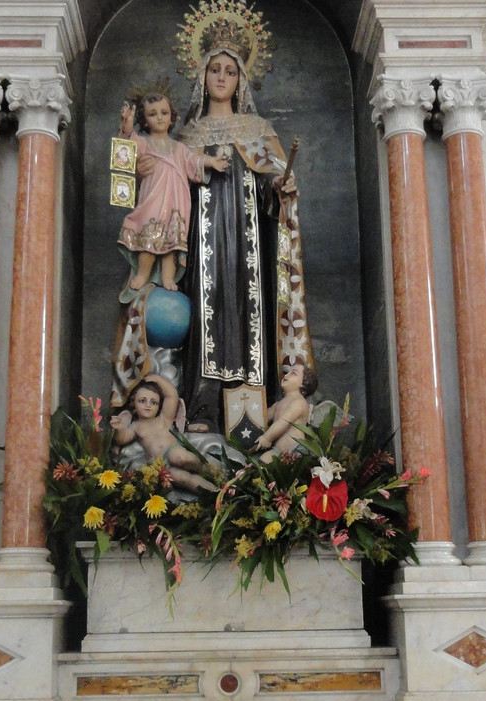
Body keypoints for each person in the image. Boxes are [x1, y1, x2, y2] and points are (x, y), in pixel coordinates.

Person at [167, 7, 315, 434]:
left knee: (250, 309)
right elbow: (168, 185)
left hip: (249, 242)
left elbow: (273, 182)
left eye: (230, 71)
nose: (221, 77)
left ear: (240, 80)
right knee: (206, 309)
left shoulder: (257, 128)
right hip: (203, 240)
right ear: (202, 76)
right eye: (214, 69)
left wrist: (281, 188)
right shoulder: (187, 135)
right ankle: (203, 407)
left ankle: (252, 409)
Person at [117, 92, 228, 292]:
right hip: (153, 199)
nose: (160, 118)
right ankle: (143, 274)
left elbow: (193, 161)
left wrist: (211, 161)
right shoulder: (144, 143)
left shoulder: (179, 148)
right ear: (145, 120)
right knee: (149, 236)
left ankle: (168, 278)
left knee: (171, 242)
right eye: (153, 114)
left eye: (164, 113)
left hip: (176, 201)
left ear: (171, 117)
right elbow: (127, 146)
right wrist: (127, 125)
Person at [110, 374, 217, 492]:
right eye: (142, 401)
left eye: (154, 402)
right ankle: (213, 492)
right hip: (161, 463)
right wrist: (118, 429)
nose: (148, 405)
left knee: (181, 457)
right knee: (182, 478)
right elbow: (122, 438)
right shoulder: (136, 427)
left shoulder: (164, 418)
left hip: (173, 450)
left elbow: (172, 396)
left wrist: (159, 380)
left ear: (159, 405)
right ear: (133, 403)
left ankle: (214, 472)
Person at [254, 365, 318, 462]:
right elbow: (262, 419)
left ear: (303, 383)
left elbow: (283, 422)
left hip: (295, 451)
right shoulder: (278, 404)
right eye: (287, 372)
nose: (286, 375)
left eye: (293, 373)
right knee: (262, 461)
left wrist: (267, 438)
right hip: (278, 451)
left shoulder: (299, 402)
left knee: (263, 462)